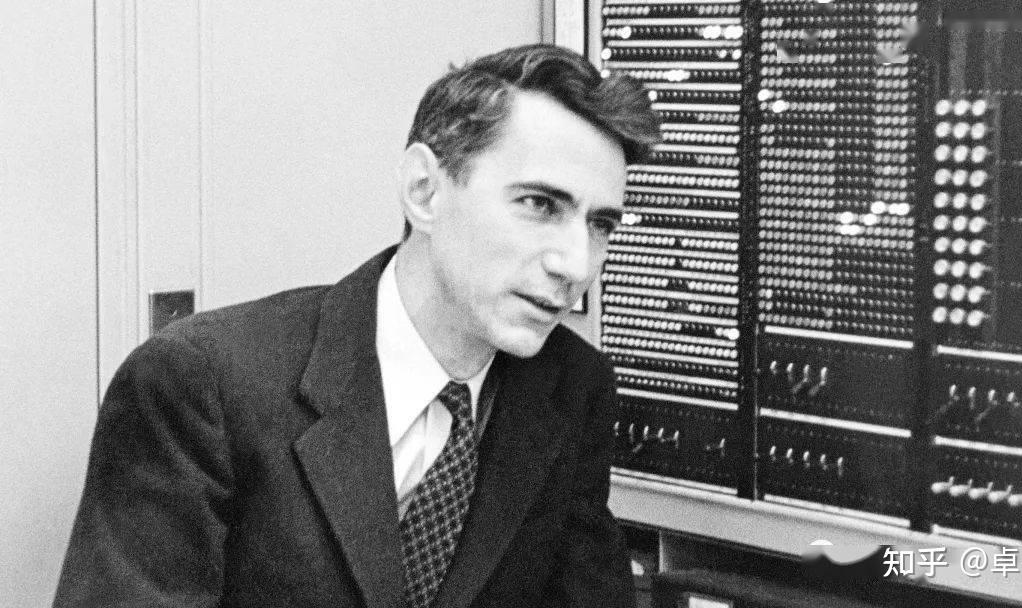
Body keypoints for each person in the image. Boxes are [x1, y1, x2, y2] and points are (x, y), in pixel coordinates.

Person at [54, 43, 659, 608]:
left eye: (600, 225)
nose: (576, 264)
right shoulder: (203, 382)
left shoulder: (571, 384)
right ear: (424, 190)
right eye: (539, 205)